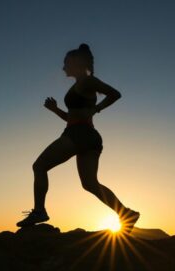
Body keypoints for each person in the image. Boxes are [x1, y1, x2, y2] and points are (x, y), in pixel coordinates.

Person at [17, 43, 140, 233]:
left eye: (66, 63)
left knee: (39, 166)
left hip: (79, 134)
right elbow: (71, 117)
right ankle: (126, 213)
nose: (63, 67)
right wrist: (55, 109)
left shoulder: (87, 81)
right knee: (90, 184)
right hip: (88, 136)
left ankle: (40, 211)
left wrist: (96, 108)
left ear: (76, 62)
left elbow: (115, 94)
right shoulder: (80, 84)